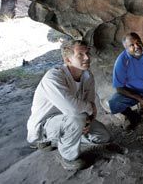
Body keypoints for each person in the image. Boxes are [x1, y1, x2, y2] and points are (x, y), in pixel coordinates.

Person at [27, 39, 110, 171]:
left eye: (87, 53)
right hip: (46, 125)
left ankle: (63, 139)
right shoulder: (53, 77)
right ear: (68, 60)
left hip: (74, 120)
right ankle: (68, 156)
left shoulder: (87, 76)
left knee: (103, 136)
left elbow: (90, 103)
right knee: (77, 117)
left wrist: (88, 122)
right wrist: (88, 112)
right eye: (80, 55)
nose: (87, 57)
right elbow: (74, 108)